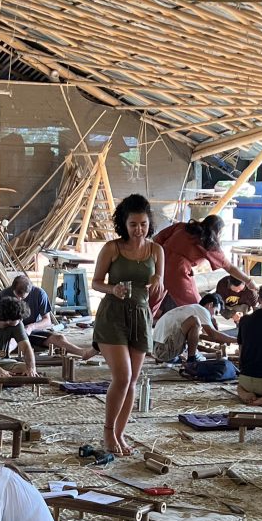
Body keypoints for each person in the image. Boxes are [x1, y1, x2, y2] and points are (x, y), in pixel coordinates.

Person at [92, 194, 164, 456]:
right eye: (133, 224)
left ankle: (121, 434)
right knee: (121, 377)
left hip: (141, 316)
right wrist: (113, 289)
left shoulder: (156, 250)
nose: (138, 230)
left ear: (149, 223)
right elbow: (96, 282)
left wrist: (158, 281)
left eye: (143, 224)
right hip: (113, 315)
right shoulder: (112, 248)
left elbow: (159, 284)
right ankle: (108, 431)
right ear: (124, 223)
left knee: (132, 380)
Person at [154, 214, 256, 314]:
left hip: (158, 264)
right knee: (198, 307)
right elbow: (229, 267)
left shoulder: (182, 226)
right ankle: (207, 328)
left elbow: (156, 239)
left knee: (151, 304)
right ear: (218, 232)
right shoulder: (208, 242)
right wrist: (249, 281)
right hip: (177, 271)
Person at [0, 274, 96, 359]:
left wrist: (31, 327)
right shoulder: (4, 294)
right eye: (17, 295)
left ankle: (82, 352)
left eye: (22, 297)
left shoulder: (39, 294)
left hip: (32, 331)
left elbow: (47, 321)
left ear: (30, 291)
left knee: (59, 338)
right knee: (14, 340)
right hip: (10, 330)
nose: (19, 299)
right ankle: (2, 356)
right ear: (12, 288)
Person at [152, 293, 234, 363]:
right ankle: (191, 360)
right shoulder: (202, 310)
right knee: (194, 320)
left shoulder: (191, 309)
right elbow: (213, 335)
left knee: (199, 355)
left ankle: (188, 357)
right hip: (165, 350)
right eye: (215, 312)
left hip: (159, 350)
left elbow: (207, 336)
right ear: (210, 305)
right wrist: (235, 340)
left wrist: (224, 340)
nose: (213, 317)